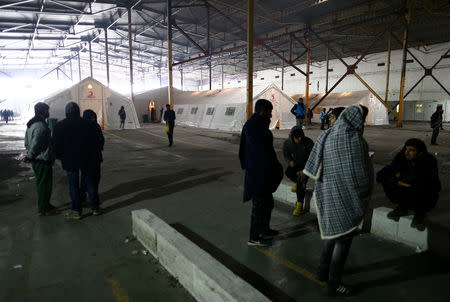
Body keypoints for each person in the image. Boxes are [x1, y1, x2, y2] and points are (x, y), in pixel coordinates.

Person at [303, 105, 372, 296]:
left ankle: (321, 272)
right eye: (362, 118)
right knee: (342, 241)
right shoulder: (356, 141)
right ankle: (333, 284)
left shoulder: (328, 134)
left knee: (332, 236)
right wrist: (366, 190)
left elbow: (316, 162)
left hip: (327, 193)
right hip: (346, 198)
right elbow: (360, 177)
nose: (363, 123)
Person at [239, 99, 283, 247]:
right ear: (262, 112)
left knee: (268, 203)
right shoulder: (252, 127)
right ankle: (254, 237)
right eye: (269, 113)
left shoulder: (259, 125)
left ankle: (264, 229)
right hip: (258, 174)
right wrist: (264, 170)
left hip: (265, 173)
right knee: (259, 206)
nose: (271, 116)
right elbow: (256, 153)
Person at [376, 138, 440, 230]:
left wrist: (400, 178)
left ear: (420, 152)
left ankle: (420, 213)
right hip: (406, 188)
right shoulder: (401, 157)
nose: (407, 152)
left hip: (425, 194)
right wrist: (397, 181)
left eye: (411, 150)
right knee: (389, 182)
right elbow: (381, 174)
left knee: (421, 187)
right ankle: (402, 208)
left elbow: (425, 181)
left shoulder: (429, 161)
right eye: (406, 149)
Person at [53, 102, 98, 219]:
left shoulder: (60, 125)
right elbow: (95, 142)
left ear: (66, 112)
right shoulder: (88, 124)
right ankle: (95, 208)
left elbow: (56, 145)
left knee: (73, 185)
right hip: (87, 159)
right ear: (78, 111)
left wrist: (60, 156)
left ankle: (77, 211)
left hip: (69, 160)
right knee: (90, 182)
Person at [24, 102, 58, 216]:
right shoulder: (41, 126)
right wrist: (30, 156)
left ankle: (45, 204)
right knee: (45, 185)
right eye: (47, 110)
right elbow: (35, 143)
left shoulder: (32, 123)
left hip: (38, 159)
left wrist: (29, 153)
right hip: (42, 160)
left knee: (42, 183)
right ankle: (44, 209)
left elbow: (27, 142)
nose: (48, 112)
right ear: (43, 111)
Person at [283, 127, 314, 216]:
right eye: (297, 137)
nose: (300, 139)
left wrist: (305, 171)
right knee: (288, 172)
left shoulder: (308, 143)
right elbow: (286, 154)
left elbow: (312, 158)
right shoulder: (287, 143)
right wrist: (290, 161)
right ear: (293, 137)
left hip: (307, 167)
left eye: (301, 137)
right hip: (296, 164)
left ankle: (299, 205)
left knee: (301, 181)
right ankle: (298, 184)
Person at [80, 109, 104, 214]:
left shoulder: (80, 127)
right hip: (95, 158)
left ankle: (82, 199)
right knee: (93, 182)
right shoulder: (96, 126)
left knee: (85, 179)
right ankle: (95, 207)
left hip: (84, 159)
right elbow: (101, 141)